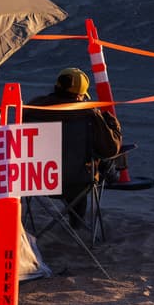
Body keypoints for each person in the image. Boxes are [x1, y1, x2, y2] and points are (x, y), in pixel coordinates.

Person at [23, 67, 122, 229]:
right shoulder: (88, 113)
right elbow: (110, 149)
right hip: (76, 182)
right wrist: (114, 126)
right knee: (98, 158)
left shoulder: (32, 108)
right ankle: (77, 223)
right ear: (79, 95)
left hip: (37, 180)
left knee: (75, 158)